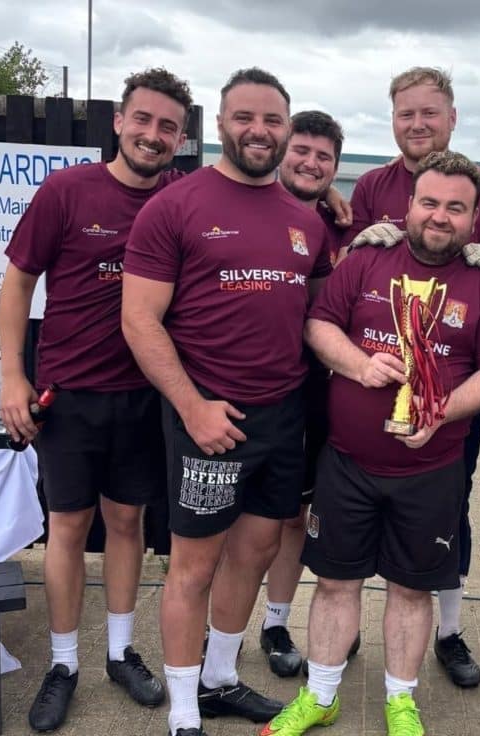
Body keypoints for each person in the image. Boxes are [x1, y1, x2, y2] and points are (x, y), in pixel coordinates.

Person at [261, 150, 480, 736]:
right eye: (430, 202)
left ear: (474, 220)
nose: (440, 216)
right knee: (333, 583)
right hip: (347, 463)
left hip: (432, 468)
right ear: (410, 206)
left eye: (456, 208)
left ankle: (401, 701)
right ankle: (321, 695)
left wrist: (440, 409)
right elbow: (319, 324)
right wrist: (355, 364)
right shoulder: (367, 261)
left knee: (412, 588)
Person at [121, 68, 333, 736]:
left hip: (282, 416)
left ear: (287, 129)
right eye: (245, 117)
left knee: (257, 551)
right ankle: (185, 707)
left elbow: (321, 316)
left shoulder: (306, 222)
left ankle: (218, 679)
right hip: (207, 417)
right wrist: (191, 407)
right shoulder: (176, 206)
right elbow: (139, 321)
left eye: (272, 120)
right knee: (194, 565)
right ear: (220, 124)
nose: (259, 131)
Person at [0, 68, 192, 733]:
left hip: (144, 397)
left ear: (181, 137)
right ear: (119, 121)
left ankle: (117, 650)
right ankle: (62, 663)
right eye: (143, 119)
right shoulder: (66, 190)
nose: (152, 134)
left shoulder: (181, 201)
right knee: (69, 528)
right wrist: (12, 376)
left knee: (130, 523)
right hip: (70, 395)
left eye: (168, 126)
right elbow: (18, 284)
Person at [341, 65, 480, 689]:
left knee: (450, 509)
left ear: (452, 117)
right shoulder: (370, 185)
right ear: (393, 120)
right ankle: (355, 626)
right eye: (405, 113)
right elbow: (353, 270)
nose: (418, 124)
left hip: (450, 385)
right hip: (375, 378)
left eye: (430, 112)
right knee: (357, 508)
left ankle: (448, 631)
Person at [259, 110, 347, 677]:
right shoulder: (237, 204)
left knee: (300, 517)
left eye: (325, 157)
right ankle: (214, 632)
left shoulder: (338, 225)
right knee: (240, 526)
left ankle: (277, 622)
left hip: (319, 390)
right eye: (302, 151)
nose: (311, 163)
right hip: (247, 392)